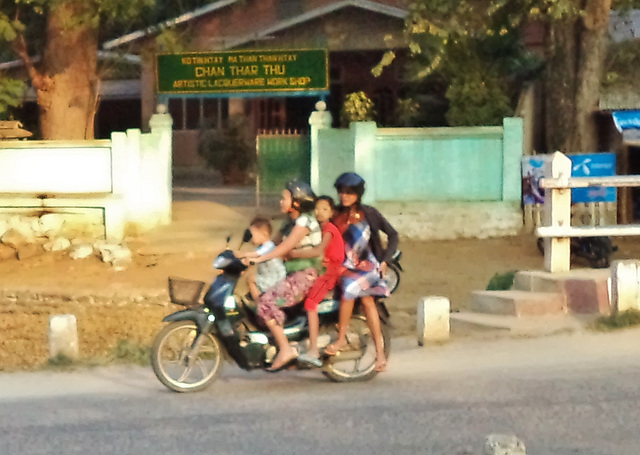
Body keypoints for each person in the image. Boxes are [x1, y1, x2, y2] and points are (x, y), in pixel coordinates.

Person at [325, 172, 398, 373]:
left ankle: (346, 342)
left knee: (357, 293)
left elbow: (392, 235)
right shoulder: (336, 215)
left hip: (368, 265)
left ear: (358, 194)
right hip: (345, 266)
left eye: (349, 192)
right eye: (342, 192)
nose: (344, 196)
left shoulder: (370, 215)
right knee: (361, 297)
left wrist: (385, 260)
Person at [249, 180, 322, 371]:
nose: (281, 201)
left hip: (305, 275)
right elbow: (270, 245)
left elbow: (284, 247)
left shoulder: (305, 221)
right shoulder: (288, 222)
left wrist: (260, 258)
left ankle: (285, 349)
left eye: (284, 198)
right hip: (290, 274)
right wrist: (241, 256)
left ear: (296, 202)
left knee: (266, 302)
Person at [288, 196, 344, 367]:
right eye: (317, 209)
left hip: (328, 272)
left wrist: (293, 254)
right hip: (321, 269)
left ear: (332, 213)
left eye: (325, 209)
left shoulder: (329, 229)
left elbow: (318, 251)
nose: (319, 212)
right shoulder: (318, 228)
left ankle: (313, 350)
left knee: (310, 304)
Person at [235, 216, 286, 302]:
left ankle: (260, 305)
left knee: (251, 280)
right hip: (269, 275)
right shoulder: (262, 247)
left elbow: (257, 255)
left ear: (264, 233)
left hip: (276, 277)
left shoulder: (269, 245)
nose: (251, 238)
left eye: (253, 234)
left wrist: (243, 255)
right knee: (251, 278)